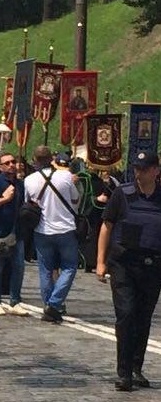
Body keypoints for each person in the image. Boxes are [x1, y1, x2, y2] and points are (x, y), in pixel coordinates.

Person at [97, 150, 161, 392]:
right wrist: (101, 262)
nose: (139, 173)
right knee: (126, 315)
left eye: (144, 169)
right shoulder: (122, 194)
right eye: (136, 168)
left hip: (153, 265)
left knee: (143, 318)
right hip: (124, 263)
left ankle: (136, 367)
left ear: (156, 171)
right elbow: (107, 226)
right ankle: (123, 373)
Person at [24, 145, 79, 323]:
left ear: (35, 160)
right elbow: (75, 199)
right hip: (65, 228)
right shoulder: (66, 176)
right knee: (69, 267)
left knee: (45, 270)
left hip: (42, 229)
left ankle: (48, 304)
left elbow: (28, 203)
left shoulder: (29, 180)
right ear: (51, 159)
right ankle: (54, 304)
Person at [0, 152, 29, 316]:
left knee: (18, 267)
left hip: (17, 231)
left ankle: (15, 300)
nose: (11, 165)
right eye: (7, 163)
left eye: (13, 161)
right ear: (1, 166)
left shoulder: (20, 184)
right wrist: (4, 199)